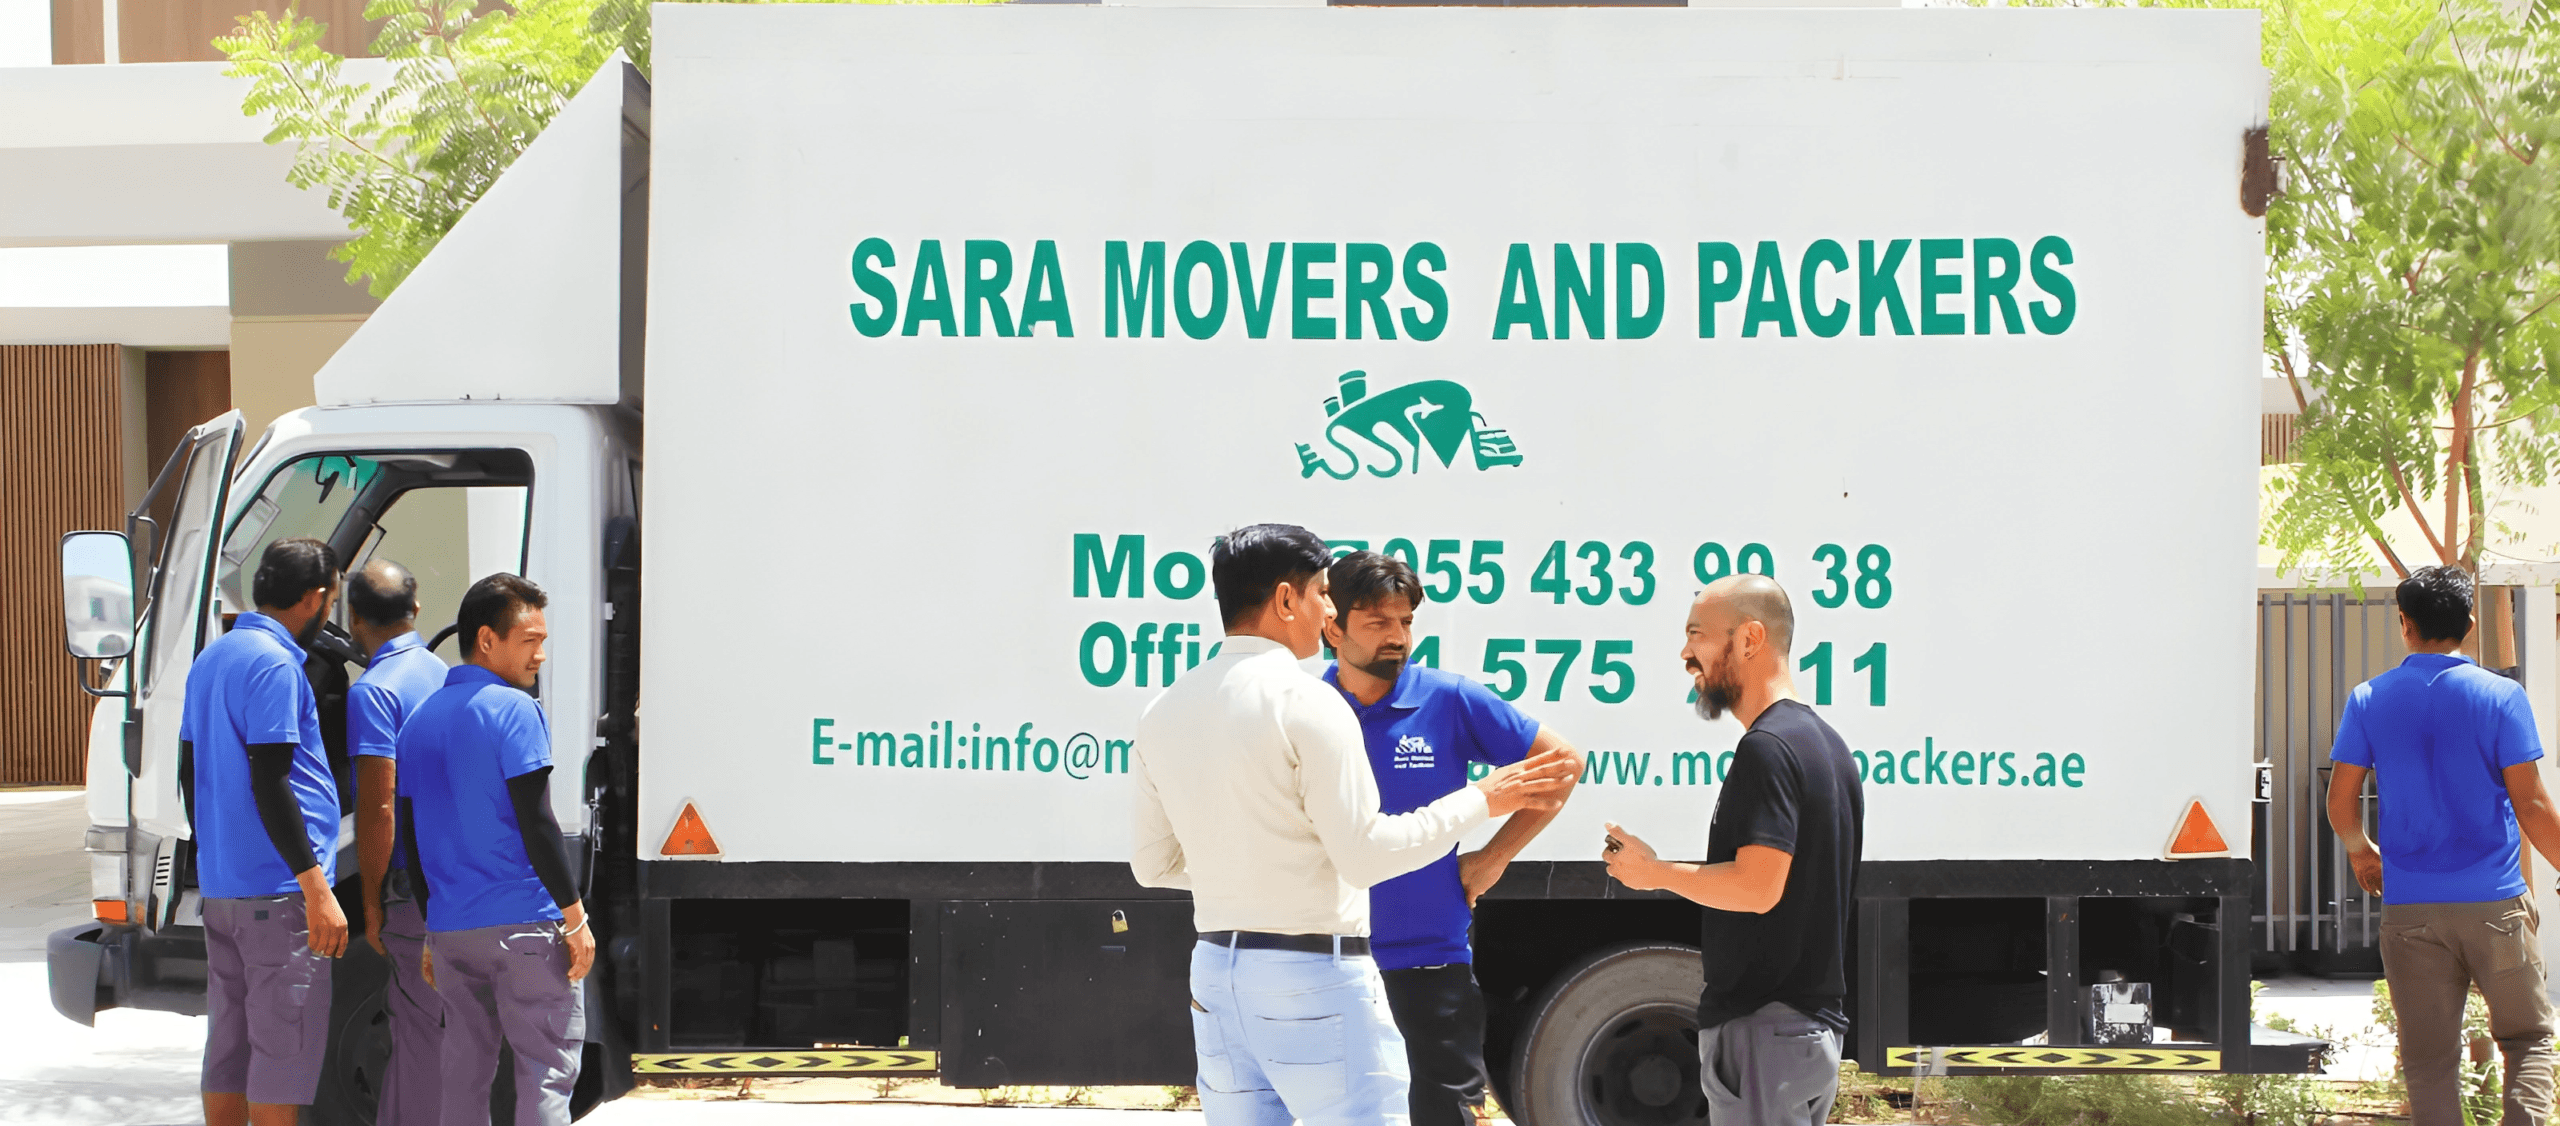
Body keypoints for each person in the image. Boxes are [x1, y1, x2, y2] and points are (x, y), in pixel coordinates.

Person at [1130, 524, 1577, 1126]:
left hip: (1216, 974)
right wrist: (1479, 800)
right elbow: (1364, 858)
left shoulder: (1164, 708)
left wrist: (1267, 873)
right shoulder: (1312, 701)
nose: (1327, 611)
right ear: (1286, 599)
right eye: (1322, 594)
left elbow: (1152, 865)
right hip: (1315, 973)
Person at [1319, 550, 1583, 1126]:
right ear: (1332, 627)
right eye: (1378, 622)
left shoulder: (1449, 698)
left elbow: (1563, 764)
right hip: (1328, 963)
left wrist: (1495, 857)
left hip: (1430, 963)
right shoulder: (1308, 710)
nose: (1398, 637)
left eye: (1405, 621)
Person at [1600, 575, 1862, 1126]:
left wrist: (1653, 872)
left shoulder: (1767, 749)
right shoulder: (1826, 745)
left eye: (1697, 634)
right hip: (1800, 1032)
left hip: (1765, 1030)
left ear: (1749, 639)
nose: (1685, 654)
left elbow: (1758, 887)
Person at [2327, 565, 2560, 1126]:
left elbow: (2340, 800)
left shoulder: (2369, 698)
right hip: (2495, 905)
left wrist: (2361, 850)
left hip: (2411, 909)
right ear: (2470, 623)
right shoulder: (2502, 696)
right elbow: (2531, 803)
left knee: (2429, 1062)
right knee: (2528, 1039)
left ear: (2404, 624)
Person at [394, 573, 595, 1126]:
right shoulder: (514, 710)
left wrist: (432, 929)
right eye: (530, 641)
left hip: (454, 933)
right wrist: (575, 918)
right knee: (545, 1074)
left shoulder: (417, 723)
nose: (540, 655)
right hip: (524, 928)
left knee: (463, 1075)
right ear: (487, 639)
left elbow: (412, 840)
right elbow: (538, 822)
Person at [181, 537, 349, 1126]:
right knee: (283, 1051)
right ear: (315, 598)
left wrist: (216, 850)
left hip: (225, 888)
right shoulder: (276, 664)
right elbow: (271, 778)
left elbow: (189, 770)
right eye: (332, 599)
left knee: (228, 1049)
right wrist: (315, 886)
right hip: (279, 895)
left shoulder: (213, 658)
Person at [343, 560, 450, 1126]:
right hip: (457, 879)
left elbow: (378, 806)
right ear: (416, 610)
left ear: (353, 618)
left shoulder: (374, 692)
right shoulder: (444, 673)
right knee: (428, 1033)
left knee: (420, 1039)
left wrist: (371, 902)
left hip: (413, 890)